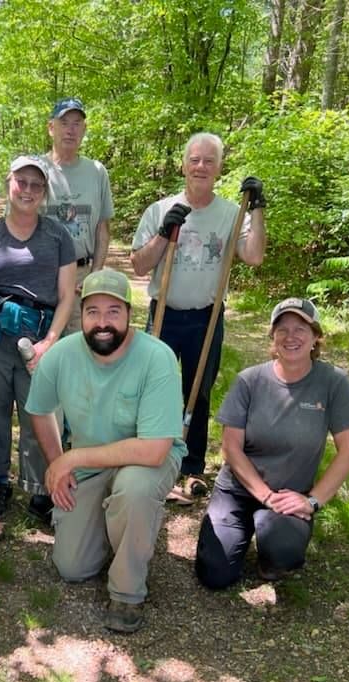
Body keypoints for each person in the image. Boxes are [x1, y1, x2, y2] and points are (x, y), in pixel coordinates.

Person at [25, 269, 186, 634]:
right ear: (80, 314)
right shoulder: (61, 355)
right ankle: (124, 528)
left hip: (147, 462)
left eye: (114, 312)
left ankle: (127, 592)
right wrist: (58, 466)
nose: (102, 322)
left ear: (130, 315)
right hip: (91, 463)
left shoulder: (157, 358)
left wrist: (72, 458)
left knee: (135, 489)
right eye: (93, 311)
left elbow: (154, 450)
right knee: (72, 567)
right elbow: (38, 409)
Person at [130, 132, 267, 503]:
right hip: (164, 313)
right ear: (184, 164)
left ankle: (190, 468)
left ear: (219, 167)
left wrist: (257, 208)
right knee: (152, 387)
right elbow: (140, 266)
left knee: (198, 389)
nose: (201, 166)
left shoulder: (229, 214)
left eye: (209, 160)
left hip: (205, 318)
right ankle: (146, 456)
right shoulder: (160, 209)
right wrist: (163, 234)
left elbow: (253, 256)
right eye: (195, 159)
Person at [194, 298, 349, 589]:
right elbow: (231, 448)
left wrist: (312, 501)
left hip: (289, 496)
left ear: (315, 337)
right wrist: (264, 496)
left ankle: (271, 552)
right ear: (272, 337)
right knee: (214, 576)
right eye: (282, 329)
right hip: (238, 490)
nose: (291, 337)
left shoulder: (334, 382)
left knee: (282, 548)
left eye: (300, 328)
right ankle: (238, 529)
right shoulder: (250, 380)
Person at [0, 156, 77, 529]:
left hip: (40, 332)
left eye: (36, 185)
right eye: (21, 182)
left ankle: (39, 487)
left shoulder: (58, 235)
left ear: (44, 192)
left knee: (39, 411)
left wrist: (50, 341)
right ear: (9, 184)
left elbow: (66, 296)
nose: (27, 190)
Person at [43, 98, 114, 333]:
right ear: (51, 127)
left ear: (84, 129)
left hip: (80, 275)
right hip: (43, 272)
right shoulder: (36, 169)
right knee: (40, 348)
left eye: (77, 123)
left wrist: (95, 273)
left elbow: (102, 228)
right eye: (64, 123)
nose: (71, 130)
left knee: (79, 348)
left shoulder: (96, 172)